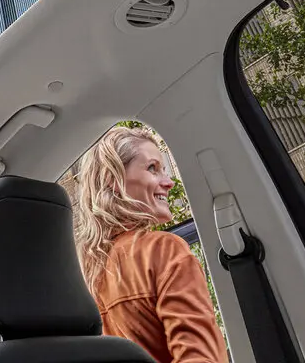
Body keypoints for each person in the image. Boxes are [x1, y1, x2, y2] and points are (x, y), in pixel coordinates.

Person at [72, 125, 229, 363]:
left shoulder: (85, 272)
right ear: (113, 180)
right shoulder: (163, 250)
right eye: (152, 168)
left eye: (164, 169)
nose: (169, 182)